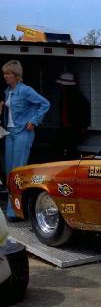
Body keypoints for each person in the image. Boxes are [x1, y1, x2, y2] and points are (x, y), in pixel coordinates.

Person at [2, 60, 49, 221]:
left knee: (18, 171)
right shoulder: (8, 91)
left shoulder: (26, 90)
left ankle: (15, 211)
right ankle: (13, 208)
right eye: (4, 74)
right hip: (10, 133)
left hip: (23, 132)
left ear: (16, 75)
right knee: (9, 171)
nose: (5, 76)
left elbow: (44, 104)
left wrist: (34, 120)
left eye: (8, 73)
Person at [55, 72, 91, 159]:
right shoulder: (65, 96)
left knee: (70, 147)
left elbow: (85, 110)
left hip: (73, 127)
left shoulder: (76, 97)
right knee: (64, 146)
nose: (60, 87)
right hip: (66, 127)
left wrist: (83, 126)